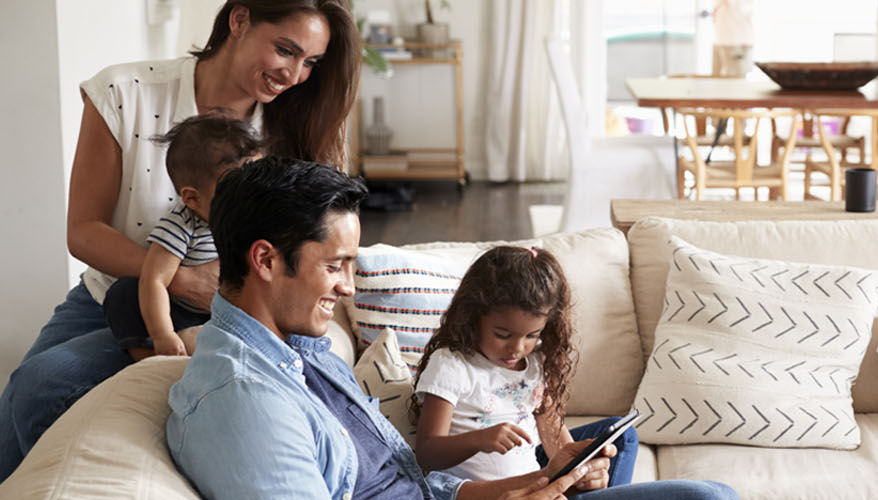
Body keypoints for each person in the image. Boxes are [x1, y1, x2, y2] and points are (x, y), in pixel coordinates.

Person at [169, 157, 736, 500]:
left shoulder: (303, 350)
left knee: (711, 492)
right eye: (335, 265)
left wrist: (506, 489)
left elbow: (407, 481)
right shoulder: (244, 402)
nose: (348, 287)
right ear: (266, 261)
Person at [0, 0, 359, 479]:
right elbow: (83, 230)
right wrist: (177, 278)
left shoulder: (292, 126)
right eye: (285, 50)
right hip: (116, 293)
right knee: (29, 390)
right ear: (239, 20)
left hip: (234, 312)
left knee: (42, 386)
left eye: (310, 62)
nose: (295, 74)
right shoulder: (125, 92)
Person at [411, 247, 639, 492]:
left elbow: (555, 440)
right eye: (503, 334)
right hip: (490, 492)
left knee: (621, 437)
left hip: (537, 482)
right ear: (473, 316)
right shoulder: (452, 364)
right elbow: (427, 453)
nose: (517, 348)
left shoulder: (536, 363)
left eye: (532, 335)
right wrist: (479, 440)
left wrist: (578, 471)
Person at [102, 114, 263, 361]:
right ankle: (149, 358)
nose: (250, 198)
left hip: (231, 313)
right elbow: (154, 279)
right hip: (181, 313)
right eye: (234, 190)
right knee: (125, 292)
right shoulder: (182, 225)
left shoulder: (256, 219)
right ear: (192, 199)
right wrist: (162, 333)